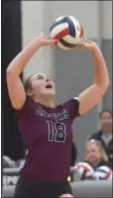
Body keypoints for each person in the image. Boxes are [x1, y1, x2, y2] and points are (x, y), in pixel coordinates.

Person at [6, 33, 109, 197]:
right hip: (32, 186)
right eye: (40, 78)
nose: (47, 79)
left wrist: (95, 50)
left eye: (48, 78)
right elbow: (11, 72)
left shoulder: (67, 110)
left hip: (60, 186)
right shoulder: (26, 108)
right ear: (30, 91)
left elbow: (100, 85)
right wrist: (36, 45)